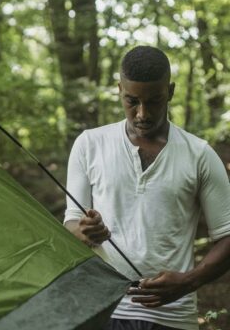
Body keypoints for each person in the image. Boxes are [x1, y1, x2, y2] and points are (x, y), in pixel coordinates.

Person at [64, 46, 230, 330]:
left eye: (154, 101)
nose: (143, 113)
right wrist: (85, 231)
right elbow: (70, 227)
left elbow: (227, 236)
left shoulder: (199, 155)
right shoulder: (89, 145)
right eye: (132, 101)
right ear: (119, 90)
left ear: (171, 91)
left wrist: (188, 281)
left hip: (172, 317)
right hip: (100, 310)